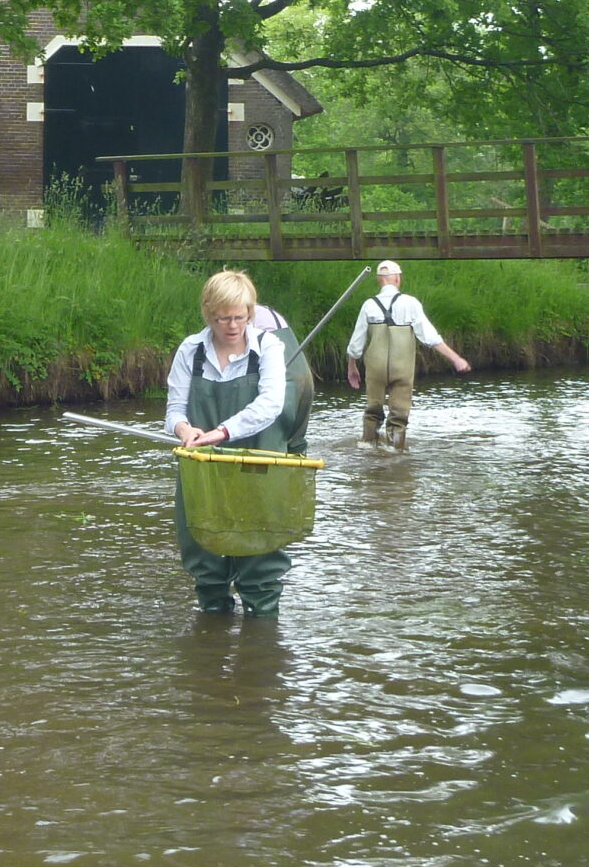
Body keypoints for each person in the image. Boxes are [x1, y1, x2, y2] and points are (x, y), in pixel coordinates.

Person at [165, 269, 313, 617]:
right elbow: (173, 409)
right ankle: (211, 633)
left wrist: (220, 432)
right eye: (222, 319)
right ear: (208, 314)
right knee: (205, 559)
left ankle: (261, 646)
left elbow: (270, 405)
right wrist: (185, 430)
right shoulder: (190, 350)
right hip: (203, 474)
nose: (232, 326)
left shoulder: (269, 347)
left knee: (260, 563)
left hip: (260, 467)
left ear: (250, 312)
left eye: (239, 317)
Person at [344, 259, 471, 447]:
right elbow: (430, 337)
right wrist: (456, 359)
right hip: (402, 367)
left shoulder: (368, 305)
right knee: (399, 416)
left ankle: (368, 450)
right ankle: (396, 452)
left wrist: (352, 366)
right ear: (397, 278)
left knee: (372, 411)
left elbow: (356, 343)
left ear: (379, 280)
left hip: (375, 368)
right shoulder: (410, 303)